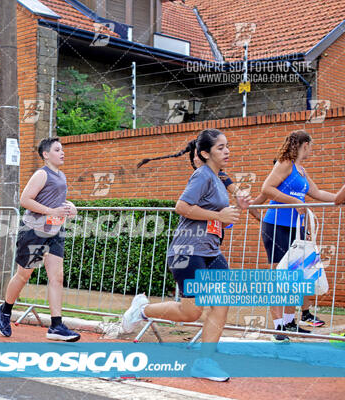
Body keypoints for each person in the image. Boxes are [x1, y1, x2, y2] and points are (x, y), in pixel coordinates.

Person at [124, 129, 250, 381]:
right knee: (191, 312)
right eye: (221, 148)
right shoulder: (202, 175)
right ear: (205, 153)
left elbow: (217, 218)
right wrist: (219, 215)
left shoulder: (216, 177)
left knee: (222, 303)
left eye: (227, 146)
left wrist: (236, 208)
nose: (227, 151)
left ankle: (205, 362)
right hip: (188, 250)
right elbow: (181, 207)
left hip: (211, 251)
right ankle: (143, 309)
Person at [0, 137, 80, 341]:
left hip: (54, 231)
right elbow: (25, 200)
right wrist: (51, 210)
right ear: (45, 154)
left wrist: (71, 208)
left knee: (57, 277)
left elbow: (59, 202)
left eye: (62, 149)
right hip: (34, 231)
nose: (62, 153)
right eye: (57, 150)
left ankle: (56, 326)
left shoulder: (61, 176)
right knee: (24, 275)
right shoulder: (42, 174)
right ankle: (5, 310)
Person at [261, 130, 337, 342]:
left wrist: (340, 199)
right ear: (304, 145)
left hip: (297, 229)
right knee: (278, 278)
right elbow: (266, 188)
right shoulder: (285, 163)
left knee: (295, 278)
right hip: (276, 225)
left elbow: (318, 193)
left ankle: (290, 322)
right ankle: (278, 327)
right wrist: (294, 201)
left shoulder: (302, 170)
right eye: (310, 146)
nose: (311, 150)